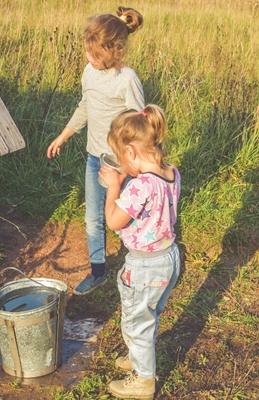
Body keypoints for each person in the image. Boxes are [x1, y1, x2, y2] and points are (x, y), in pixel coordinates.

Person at [47, 6, 145, 295]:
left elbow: (140, 122)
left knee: (127, 218)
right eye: (87, 52)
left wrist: (132, 164)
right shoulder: (89, 71)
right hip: (95, 159)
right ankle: (98, 272)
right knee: (93, 217)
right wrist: (64, 135)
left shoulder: (127, 80)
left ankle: (140, 264)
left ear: (115, 51)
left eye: (95, 54)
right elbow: (85, 106)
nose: (89, 58)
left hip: (123, 163)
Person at [99, 105, 182, 399]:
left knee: (137, 324)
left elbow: (113, 221)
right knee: (148, 315)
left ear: (131, 152)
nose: (122, 165)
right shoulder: (171, 173)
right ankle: (139, 358)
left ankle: (144, 380)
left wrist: (114, 186)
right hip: (169, 258)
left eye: (122, 158)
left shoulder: (140, 186)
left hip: (145, 265)